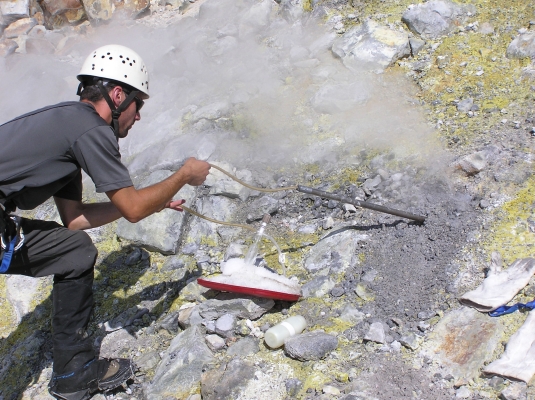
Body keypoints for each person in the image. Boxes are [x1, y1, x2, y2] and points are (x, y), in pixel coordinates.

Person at [0, 44, 211, 400]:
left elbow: (75, 220)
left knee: (74, 250)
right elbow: (131, 208)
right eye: (137, 104)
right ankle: (73, 373)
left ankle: (73, 373)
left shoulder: (67, 126)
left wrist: (151, 204)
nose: (138, 116)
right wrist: (184, 174)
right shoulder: (91, 130)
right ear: (117, 95)